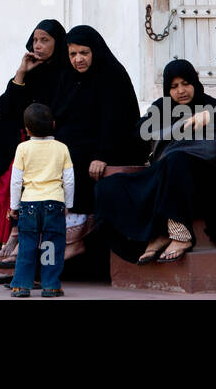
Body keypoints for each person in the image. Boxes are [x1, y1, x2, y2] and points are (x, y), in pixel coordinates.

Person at [94, 58, 216, 264]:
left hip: (198, 177)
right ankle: (157, 235)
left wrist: (212, 116)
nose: (181, 91)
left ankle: (181, 235)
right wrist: (177, 127)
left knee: (176, 161)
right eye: (174, 86)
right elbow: (139, 133)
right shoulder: (162, 107)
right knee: (109, 186)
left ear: (195, 83)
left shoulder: (208, 104)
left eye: (186, 84)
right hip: (163, 171)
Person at [0, 20, 69, 258]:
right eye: (35, 40)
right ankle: (8, 229)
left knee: (23, 156)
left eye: (45, 40)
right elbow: (5, 108)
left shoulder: (65, 73)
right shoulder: (32, 71)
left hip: (50, 136)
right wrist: (21, 73)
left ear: (58, 43)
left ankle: (17, 232)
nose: (38, 45)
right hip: (25, 135)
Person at [49, 24, 144, 266]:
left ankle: (75, 241)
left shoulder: (112, 75)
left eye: (84, 53)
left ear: (95, 52)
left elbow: (117, 122)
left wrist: (103, 155)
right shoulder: (68, 78)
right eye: (72, 54)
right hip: (76, 145)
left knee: (75, 162)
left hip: (110, 147)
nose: (78, 59)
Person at [8, 103, 73, 298]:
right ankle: (51, 285)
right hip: (54, 202)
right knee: (51, 245)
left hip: (29, 204)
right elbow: (69, 180)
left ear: (26, 129)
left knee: (27, 243)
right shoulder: (61, 148)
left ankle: (21, 285)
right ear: (53, 124)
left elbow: (16, 180)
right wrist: (68, 204)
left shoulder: (23, 148)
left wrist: (14, 206)